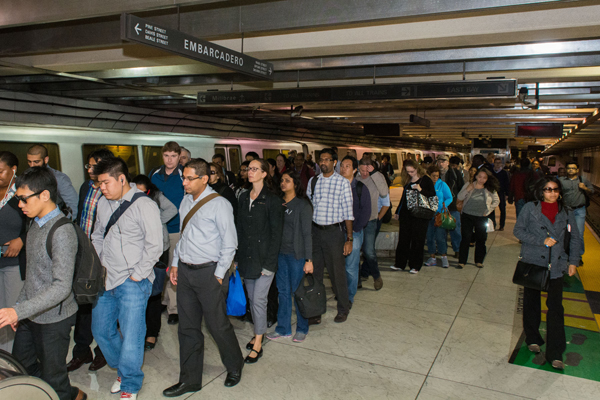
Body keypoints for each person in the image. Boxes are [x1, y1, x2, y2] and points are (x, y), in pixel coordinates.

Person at [0, 167, 87, 400]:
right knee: (23, 367)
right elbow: (33, 276)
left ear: (45, 196)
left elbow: (61, 287)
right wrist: (21, 309)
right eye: (18, 199)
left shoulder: (62, 231)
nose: (20, 205)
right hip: (31, 313)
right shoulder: (34, 224)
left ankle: (67, 395)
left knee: (54, 376)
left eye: (24, 199)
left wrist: (17, 310)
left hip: (54, 319)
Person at [163, 158, 243, 397]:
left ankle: (234, 365)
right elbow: (183, 237)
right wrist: (176, 264)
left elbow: (230, 244)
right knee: (187, 328)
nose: (184, 183)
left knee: (217, 325)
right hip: (186, 272)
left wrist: (218, 276)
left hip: (209, 273)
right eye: (183, 178)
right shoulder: (186, 201)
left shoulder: (219, 204)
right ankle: (190, 380)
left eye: (189, 178)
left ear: (204, 178)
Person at [91, 157, 163, 400]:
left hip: (133, 280)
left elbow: (156, 245)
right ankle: (123, 370)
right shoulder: (102, 203)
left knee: (132, 334)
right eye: (99, 184)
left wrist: (137, 275)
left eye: (105, 183)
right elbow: (97, 235)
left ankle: (130, 384)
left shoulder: (144, 205)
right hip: (106, 277)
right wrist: (101, 262)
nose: (102, 188)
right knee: (101, 330)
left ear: (122, 179)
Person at [514, 177, 581, 370]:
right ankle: (533, 337)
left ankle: (555, 352)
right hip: (533, 263)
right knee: (531, 302)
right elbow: (518, 231)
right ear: (540, 191)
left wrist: (573, 262)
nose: (552, 193)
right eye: (547, 189)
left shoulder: (567, 213)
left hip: (556, 265)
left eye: (555, 190)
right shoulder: (529, 208)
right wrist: (541, 240)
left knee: (555, 308)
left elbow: (575, 238)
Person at [67, 148, 113, 373]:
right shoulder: (86, 187)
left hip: (103, 255)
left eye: (92, 165)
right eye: (88, 165)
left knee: (103, 304)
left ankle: (103, 351)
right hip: (84, 252)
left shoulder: (111, 190)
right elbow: (80, 216)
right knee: (83, 303)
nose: (88, 169)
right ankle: (81, 351)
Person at [237, 159, 284, 362]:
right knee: (252, 299)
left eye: (255, 169)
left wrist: (269, 264)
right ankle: (259, 332)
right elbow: (239, 229)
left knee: (258, 300)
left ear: (265, 173)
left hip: (264, 259)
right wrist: (237, 258)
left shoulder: (272, 200)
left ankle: (258, 342)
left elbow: (276, 235)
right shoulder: (244, 197)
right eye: (249, 169)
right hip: (247, 258)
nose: (250, 172)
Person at [306, 148, 354, 323]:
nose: (323, 162)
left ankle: (343, 308)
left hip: (334, 233)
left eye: (327, 159)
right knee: (315, 274)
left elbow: (348, 213)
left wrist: (349, 239)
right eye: (321, 160)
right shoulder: (313, 181)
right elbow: (308, 207)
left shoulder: (342, 183)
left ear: (335, 162)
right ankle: (316, 311)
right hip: (315, 233)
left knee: (337, 273)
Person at [131, 175, 177, 352]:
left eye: (144, 192)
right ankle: (138, 329)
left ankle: (152, 332)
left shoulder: (157, 196)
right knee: (138, 290)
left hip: (158, 248)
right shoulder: (127, 199)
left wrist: (156, 221)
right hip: (137, 250)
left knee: (154, 291)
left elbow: (172, 209)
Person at [266, 170, 313, 343]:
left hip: (296, 256)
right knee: (283, 292)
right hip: (281, 255)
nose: (283, 183)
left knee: (298, 293)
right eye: (282, 181)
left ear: (295, 184)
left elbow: (308, 234)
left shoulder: (302, 205)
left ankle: (302, 328)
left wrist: (309, 260)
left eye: (287, 180)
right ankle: (283, 328)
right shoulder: (279, 203)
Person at [150, 141, 185, 325]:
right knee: (159, 267)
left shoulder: (183, 175)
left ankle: (174, 308)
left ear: (179, 157)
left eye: (173, 156)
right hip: (156, 231)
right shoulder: (154, 175)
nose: (169, 160)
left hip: (175, 229)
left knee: (173, 267)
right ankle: (163, 300)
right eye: (166, 156)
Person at [0, 151, 26, 354]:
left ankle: (13, 360)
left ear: (13, 169)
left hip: (15, 264)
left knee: (12, 312)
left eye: (0, 171)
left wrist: (22, 240)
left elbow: (41, 220)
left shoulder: (22, 192)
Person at [391, 160, 436, 274]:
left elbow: (432, 195)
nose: (410, 173)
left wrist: (420, 189)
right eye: (408, 171)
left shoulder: (426, 180)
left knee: (417, 240)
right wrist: (398, 211)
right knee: (403, 240)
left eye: (412, 171)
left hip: (420, 215)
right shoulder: (407, 180)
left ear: (417, 169)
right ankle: (400, 264)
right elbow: (403, 198)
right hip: (406, 214)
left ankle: (415, 265)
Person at [339, 156, 371, 303]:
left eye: (347, 166)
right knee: (339, 267)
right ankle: (342, 292)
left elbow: (366, 212)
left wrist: (355, 230)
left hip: (355, 233)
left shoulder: (360, 188)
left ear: (354, 170)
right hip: (337, 233)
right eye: (342, 166)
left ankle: (349, 297)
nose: (343, 169)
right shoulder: (336, 187)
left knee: (350, 268)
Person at [456, 168, 500, 269]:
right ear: (476, 176)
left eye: (484, 178)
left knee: (481, 239)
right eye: (479, 177)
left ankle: (479, 260)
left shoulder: (489, 188)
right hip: (467, 215)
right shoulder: (469, 185)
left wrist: (488, 211)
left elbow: (496, 201)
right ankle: (462, 261)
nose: (481, 179)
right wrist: (468, 189)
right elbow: (460, 196)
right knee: (466, 238)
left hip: (481, 216)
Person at [356, 158, 388, 290]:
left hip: (370, 220)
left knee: (369, 251)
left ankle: (376, 276)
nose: (364, 173)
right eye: (361, 170)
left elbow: (384, 192)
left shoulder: (377, 177)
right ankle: (356, 280)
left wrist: (373, 173)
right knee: (355, 252)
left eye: (366, 170)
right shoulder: (355, 178)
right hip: (356, 220)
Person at [26, 144, 79, 218]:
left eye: (36, 162)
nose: (32, 165)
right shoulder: (28, 177)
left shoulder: (59, 179)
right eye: (29, 161)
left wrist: (63, 225)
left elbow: (73, 205)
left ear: (46, 160)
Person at [559, 162, 594, 263]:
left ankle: (578, 256)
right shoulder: (561, 181)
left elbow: (592, 191)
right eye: (569, 168)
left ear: (577, 170)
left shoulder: (583, 180)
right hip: (566, 210)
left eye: (573, 168)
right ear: (566, 169)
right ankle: (564, 253)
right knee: (564, 233)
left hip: (579, 210)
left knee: (578, 233)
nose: (571, 170)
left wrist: (585, 188)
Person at [424, 165, 453, 268]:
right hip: (428, 215)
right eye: (433, 176)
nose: (435, 178)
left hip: (440, 214)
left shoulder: (442, 185)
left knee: (441, 237)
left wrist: (444, 204)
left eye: (437, 175)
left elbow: (450, 197)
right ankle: (432, 257)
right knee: (430, 237)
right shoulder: (425, 184)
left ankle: (444, 257)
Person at [437, 154, 463, 258]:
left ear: (448, 163)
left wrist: (460, 202)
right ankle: (443, 251)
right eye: (439, 161)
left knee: (455, 229)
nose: (441, 163)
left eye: (443, 161)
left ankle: (457, 249)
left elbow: (461, 188)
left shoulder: (455, 174)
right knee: (440, 230)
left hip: (452, 206)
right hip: (439, 207)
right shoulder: (435, 174)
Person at [490, 157, 510, 231]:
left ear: (501, 164)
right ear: (494, 163)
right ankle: (493, 224)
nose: (497, 164)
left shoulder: (504, 173)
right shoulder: (491, 172)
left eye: (499, 163)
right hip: (492, 192)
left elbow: (507, 184)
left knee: (502, 209)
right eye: (496, 163)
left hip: (501, 193)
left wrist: (507, 194)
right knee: (491, 209)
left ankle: (501, 225)